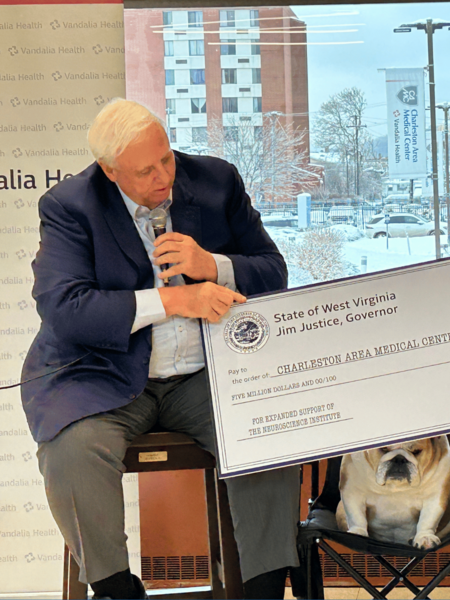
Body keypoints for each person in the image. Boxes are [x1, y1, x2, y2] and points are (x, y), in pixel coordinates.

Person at [21, 99, 300, 599]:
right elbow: (65, 307)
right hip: (102, 376)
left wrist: (211, 264)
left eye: (166, 158)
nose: (163, 176)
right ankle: (115, 588)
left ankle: (263, 587)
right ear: (109, 171)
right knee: (72, 451)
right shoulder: (70, 206)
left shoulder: (216, 182)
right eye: (144, 170)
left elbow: (273, 272)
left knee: (267, 431)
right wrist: (173, 299)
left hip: (204, 375)